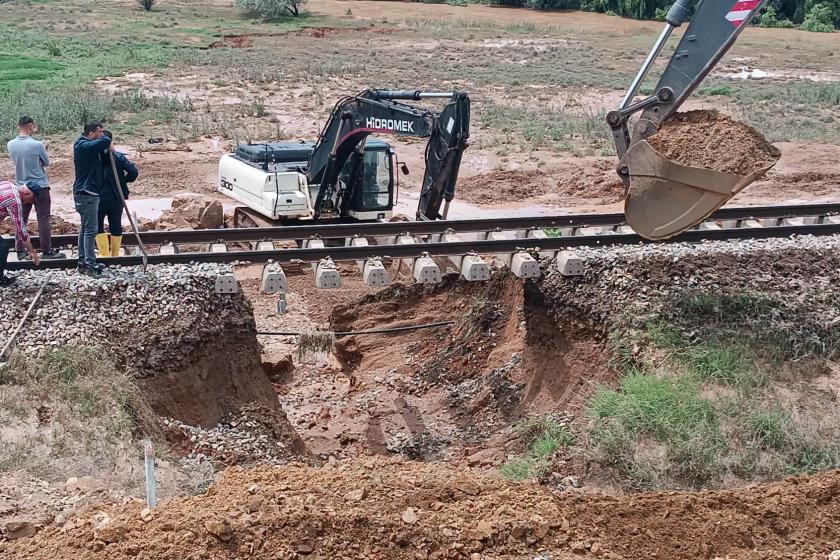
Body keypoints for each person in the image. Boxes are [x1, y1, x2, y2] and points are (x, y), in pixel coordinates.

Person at [6, 116, 64, 260]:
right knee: (43, 219)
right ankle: (46, 250)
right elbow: (46, 162)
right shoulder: (37, 144)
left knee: (21, 219)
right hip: (40, 187)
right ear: (31, 126)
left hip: (21, 187)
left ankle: (20, 250)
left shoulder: (11, 144)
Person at [72, 121, 112, 276]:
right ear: (91, 134)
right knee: (90, 230)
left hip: (87, 193)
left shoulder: (89, 146)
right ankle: (90, 265)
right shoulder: (82, 146)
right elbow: (106, 139)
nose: (101, 135)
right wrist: (107, 139)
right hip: (86, 193)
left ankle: (83, 262)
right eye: (99, 132)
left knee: (85, 228)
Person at [97, 130, 138, 258]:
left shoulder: (95, 157)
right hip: (117, 197)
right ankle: (114, 254)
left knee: (98, 225)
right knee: (115, 224)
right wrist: (123, 181)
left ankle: (104, 254)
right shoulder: (119, 156)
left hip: (99, 198)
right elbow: (133, 171)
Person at [0, 181, 40, 286]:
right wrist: (32, 251)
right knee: (2, 247)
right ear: (26, 193)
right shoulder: (15, 201)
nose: (29, 203)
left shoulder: (9, 184)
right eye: (31, 199)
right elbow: (20, 230)